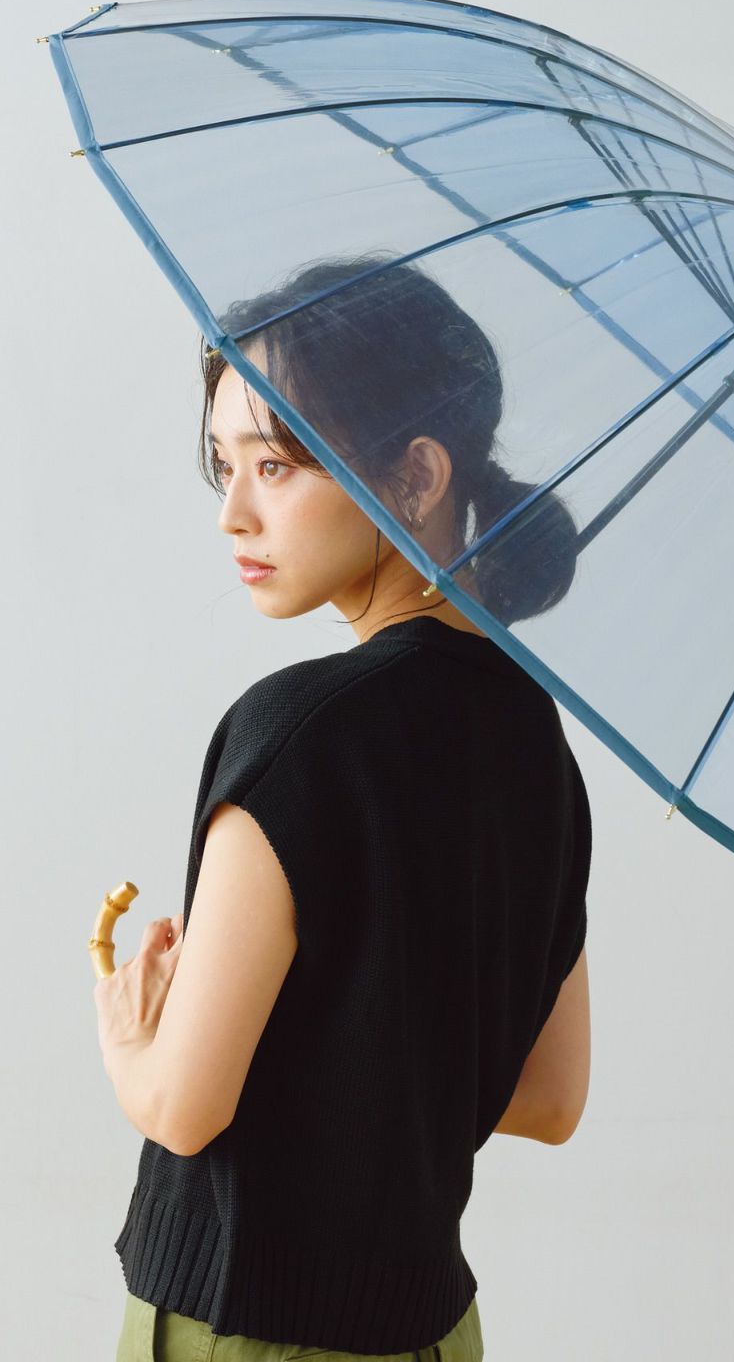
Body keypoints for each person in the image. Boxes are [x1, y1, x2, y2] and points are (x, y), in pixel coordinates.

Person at [97, 256, 592, 1361]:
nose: (233, 514)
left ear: (416, 474)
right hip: (434, 1332)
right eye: (224, 464)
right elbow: (551, 1099)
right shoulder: (533, 733)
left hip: (247, 1329)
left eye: (275, 465)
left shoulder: (299, 733)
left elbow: (182, 1108)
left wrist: (132, 1035)